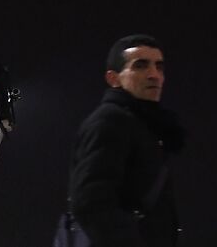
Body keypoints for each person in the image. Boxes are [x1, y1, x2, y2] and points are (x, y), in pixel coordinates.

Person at [68, 34, 185, 247]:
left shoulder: (143, 126)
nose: (154, 75)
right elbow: (90, 202)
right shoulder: (110, 121)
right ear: (114, 79)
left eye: (159, 67)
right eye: (140, 66)